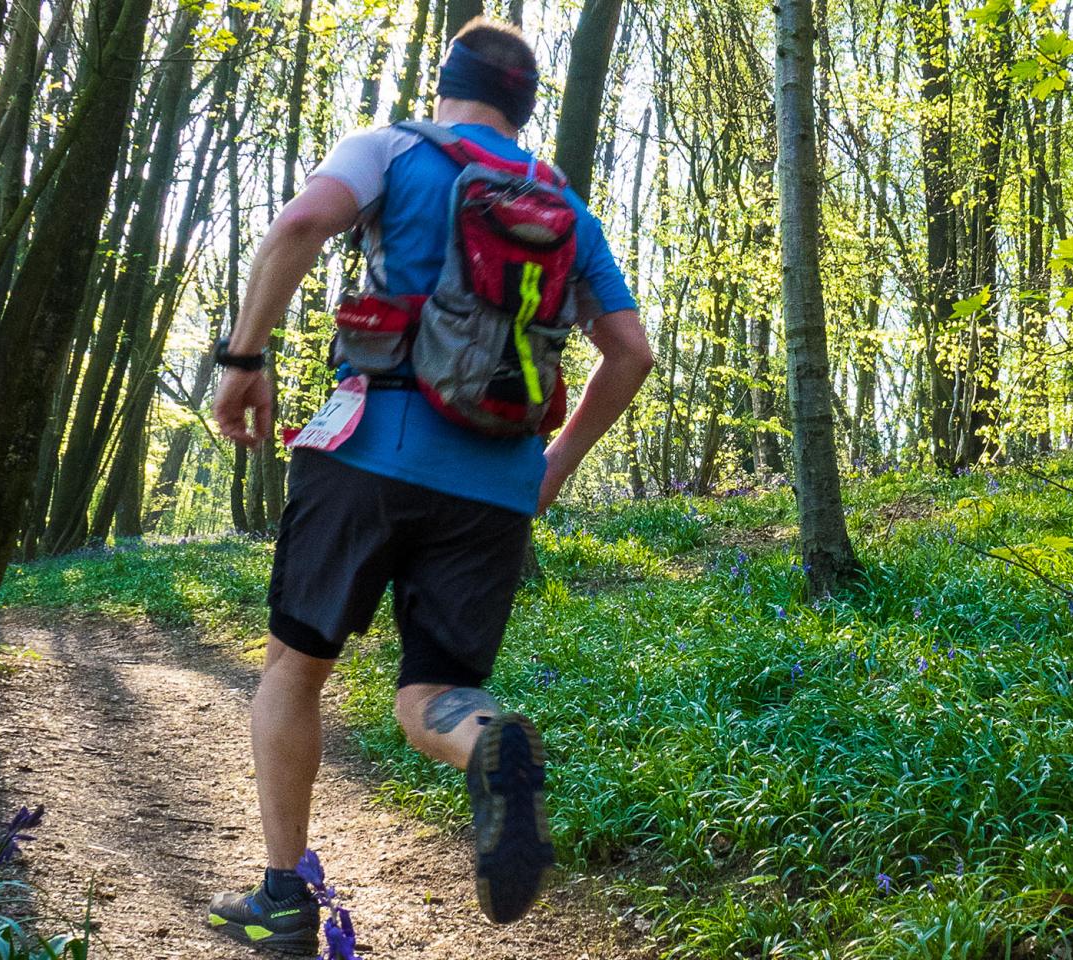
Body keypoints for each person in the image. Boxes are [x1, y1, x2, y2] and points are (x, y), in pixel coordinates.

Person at [203, 18, 652, 951]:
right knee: (433, 693)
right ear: (525, 111)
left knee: (296, 667)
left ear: (447, 86)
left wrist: (243, 356)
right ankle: (482, 736)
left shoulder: (393, 148)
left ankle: (285, 895)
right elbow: (630, 353)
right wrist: (551, 467)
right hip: (495, 485)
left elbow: (300, 223)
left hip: (368, 450)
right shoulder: (563, 205)